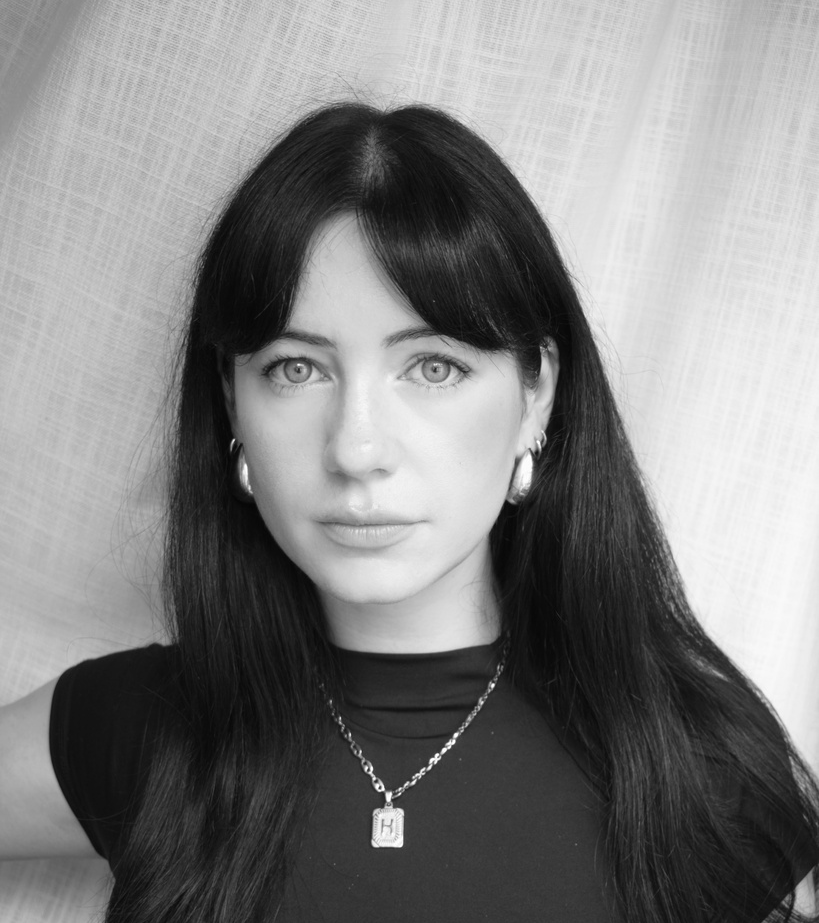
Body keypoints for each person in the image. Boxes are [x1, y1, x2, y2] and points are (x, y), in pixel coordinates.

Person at [1, 102, 817, 923]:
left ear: (536, 392)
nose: (356, 448)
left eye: (431, 367)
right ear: (230, 399)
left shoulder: (700, 777)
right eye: (295, 369)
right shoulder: (142, 728)